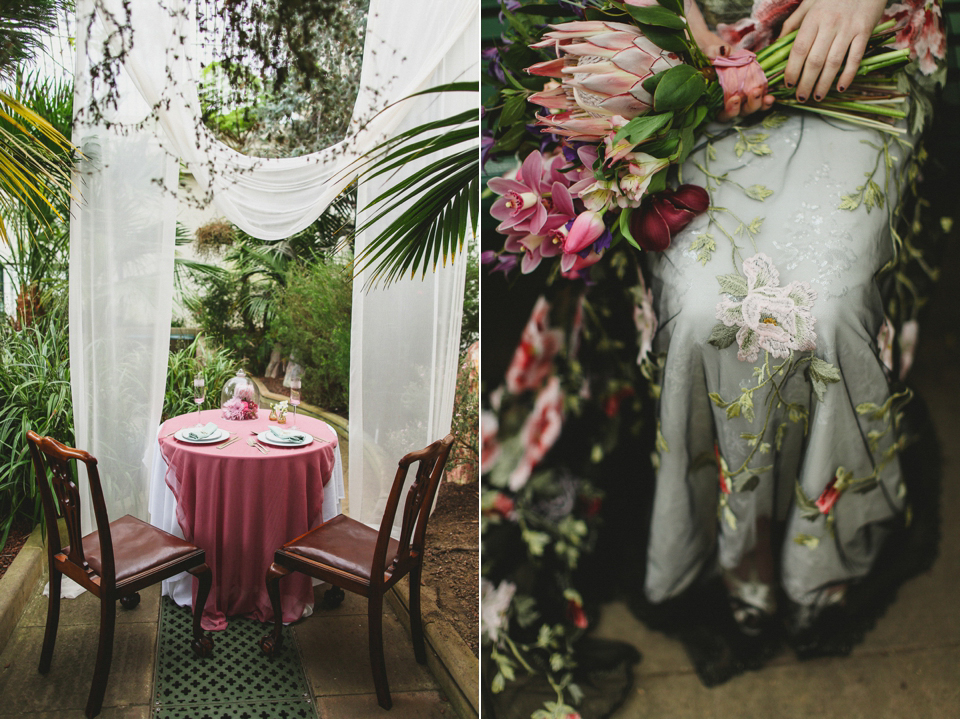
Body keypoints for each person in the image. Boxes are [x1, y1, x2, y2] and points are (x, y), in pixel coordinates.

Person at [642, 0, 929, 669]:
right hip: (715, 64)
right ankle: (740, 563)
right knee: (704, 309)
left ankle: (816, 559)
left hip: (865, 47)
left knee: (824, 308)